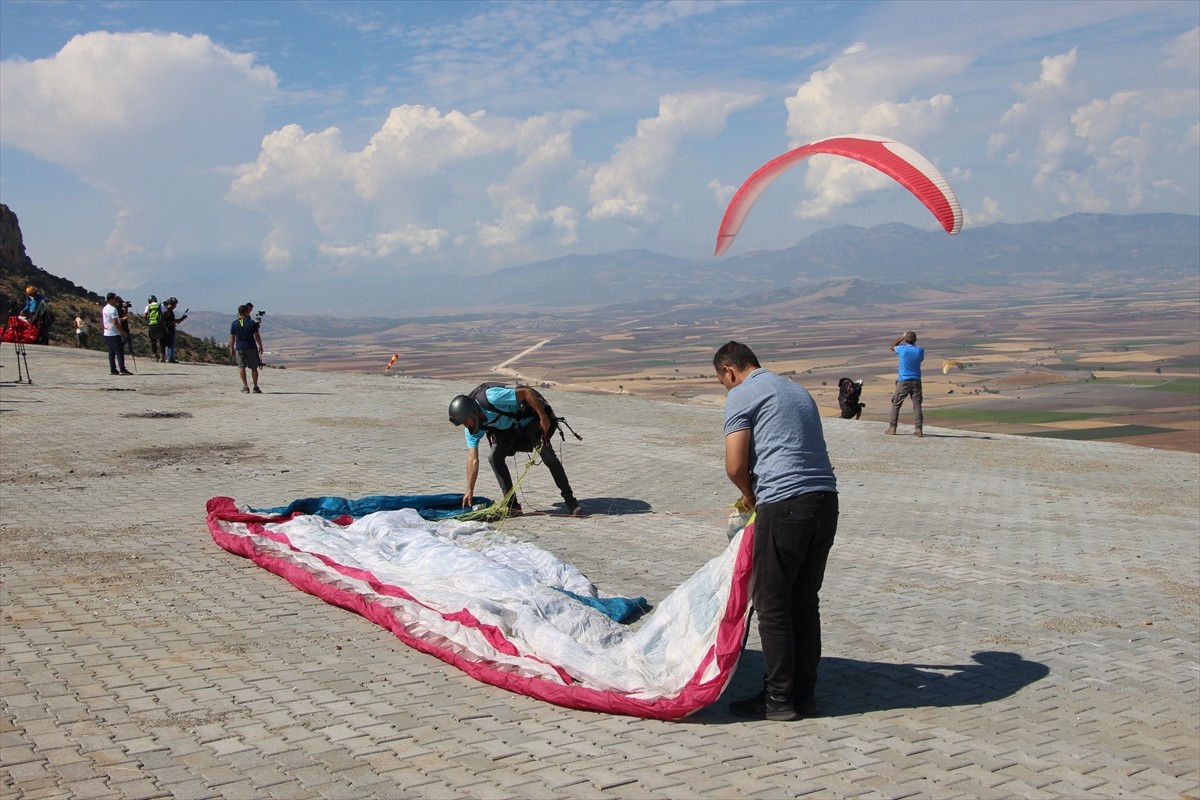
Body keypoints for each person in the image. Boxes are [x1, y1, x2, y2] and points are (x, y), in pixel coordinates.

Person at [714, 340, 838, 721]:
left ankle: (778, 699)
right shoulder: (795, 390)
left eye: (724, 382)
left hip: (784, 506)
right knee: (804, 601)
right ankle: (805, 695)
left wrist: (750, 495)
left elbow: (735, 464)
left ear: (729, 372)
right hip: (825, 502)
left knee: (772, 605)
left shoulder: (743, 394)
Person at [448, 384, 583, 517]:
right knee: (494, 458)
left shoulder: (492, 397)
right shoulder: (472, 430)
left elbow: (527, 393)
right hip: (507, 430)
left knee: (549, 457)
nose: (466, 426)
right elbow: (473, 460)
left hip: (529, 420)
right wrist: (469, 490)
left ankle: (570, 501)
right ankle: (513, 506)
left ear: (473, 412)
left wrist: (543, 417)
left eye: (466, 422)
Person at [888, 331, 924, 436]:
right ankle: (919, 429)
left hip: (903, 381)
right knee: (917, 406)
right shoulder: (920, 350)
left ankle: (892, 428)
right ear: (915, 340)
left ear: (905, 340)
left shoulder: (902, 349)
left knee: (896, 404)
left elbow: (892, 346)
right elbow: (921, 359)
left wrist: (901, 337)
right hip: (916, 381)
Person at [229, 304, 263, 393]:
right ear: (245, 312)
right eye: (248, 311)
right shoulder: (251, 323)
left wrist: (231, 348)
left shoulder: (234, 323)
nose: (249, 313)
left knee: (241, 367)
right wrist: (260, 345)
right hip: (251, 347)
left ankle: (245, 387)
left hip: (240, 348)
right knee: (254, 368)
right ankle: (255, 387)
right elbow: (257, 335)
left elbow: (232, 337)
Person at [102, 294, 132, 375]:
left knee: (111, 352)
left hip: (107, 333)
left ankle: (113, 369)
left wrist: (121, 319)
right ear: (111, 300)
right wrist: (123, 332)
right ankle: (122, 368)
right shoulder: (113, 309)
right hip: (113, 333)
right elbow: (115, 322)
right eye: (115, 299)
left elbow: (112, 320)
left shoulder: (105, 308)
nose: (116, 301)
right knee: (119, 351)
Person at [161, 297, 187, 363]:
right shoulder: (169, 311)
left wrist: (181, 319)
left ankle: (167, 357)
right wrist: (180, 319)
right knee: (171, 344)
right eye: (175, 304)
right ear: (172, 304)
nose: (175, 306)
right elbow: (172, 321)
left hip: (165, 329)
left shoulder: (165, 310)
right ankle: (170, 358)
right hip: (170, 329)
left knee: (167, 344)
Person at [144, 295, 164, 361]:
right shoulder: (161, 305)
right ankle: (163, 356)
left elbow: (145, 316)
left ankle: (155, 356)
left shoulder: (148, 306)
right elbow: (167, 314)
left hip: (152, 325)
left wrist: (149, 320)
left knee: (153, 340)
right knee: (161, 340)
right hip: (160, 325)